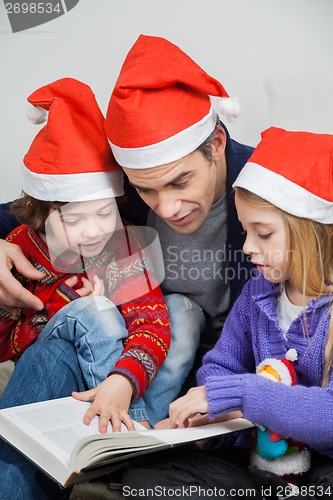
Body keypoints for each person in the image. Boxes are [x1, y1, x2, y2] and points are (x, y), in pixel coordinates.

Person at [0, 35, 254, 498]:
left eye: (180, 181)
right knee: (62, 341)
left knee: (179, 309)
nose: (168, 205)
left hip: (198, 369)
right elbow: (25, 210)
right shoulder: (109, 199)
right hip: (115, 347)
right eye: (145, 189)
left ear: (216, 143)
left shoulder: (264, 191)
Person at [121, 127, 333, 500]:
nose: (248, 247)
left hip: (325, 466)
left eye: (263, 234)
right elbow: (220, 366)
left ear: (313, 233)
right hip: (261, 462)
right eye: (245, 231)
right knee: (145, 480)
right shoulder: (258, 292)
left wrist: (238, 394)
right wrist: (210, 422)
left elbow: (327, 416)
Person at [0, 77, 170, 432]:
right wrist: (59, 308)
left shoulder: (122, 245)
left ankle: (141, 422)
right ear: (40, 211)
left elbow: (151, 323)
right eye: (74, 220)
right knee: (93, 311)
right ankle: (130, 437)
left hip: (111, 364)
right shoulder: (20, 250)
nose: (94, 231)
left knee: (185, 314)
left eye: (105, 214)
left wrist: (126, 375)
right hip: (40, 355)